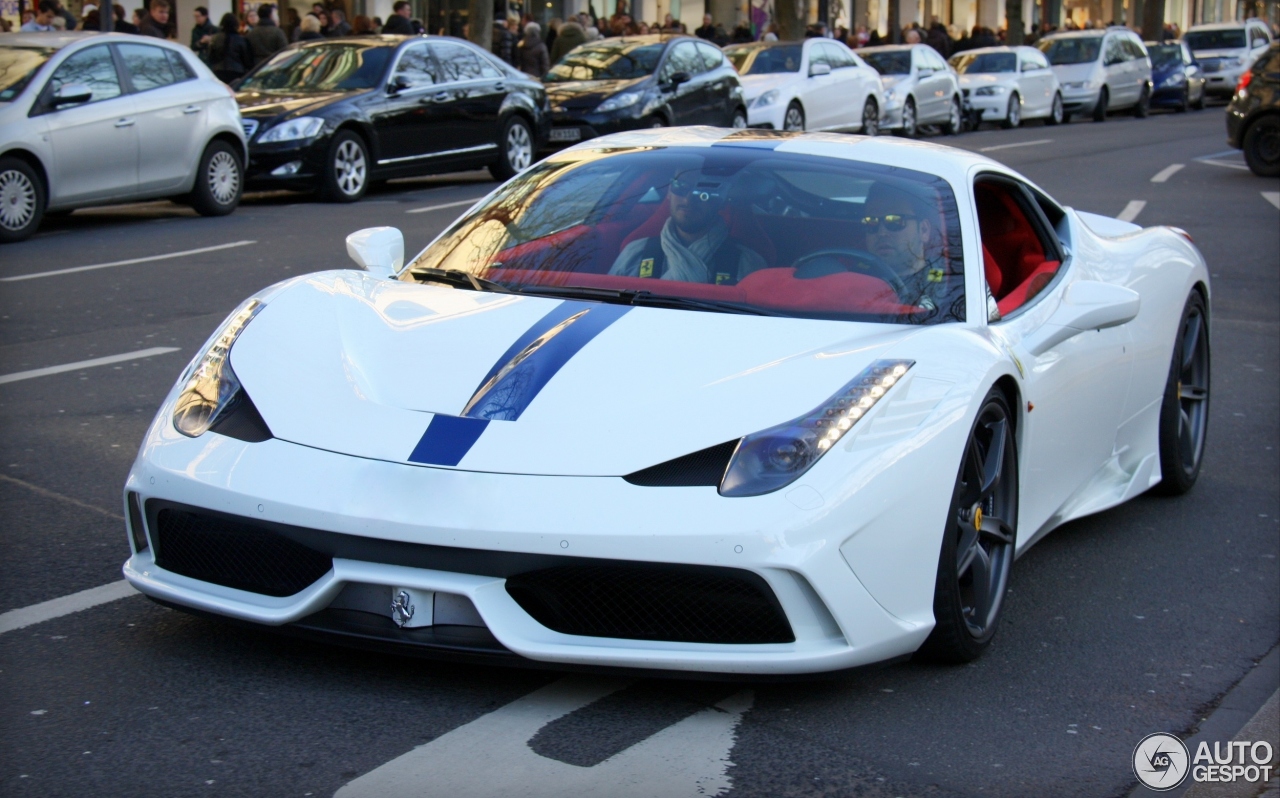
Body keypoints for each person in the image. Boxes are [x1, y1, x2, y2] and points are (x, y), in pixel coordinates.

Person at [611, 170, 766, 286]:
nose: (688, 199)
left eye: (702, 191)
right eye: (681, 186)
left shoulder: (746, 263)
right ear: (669, 193)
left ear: (720, 200)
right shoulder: (634, 254)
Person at [860, 182, 951, 313]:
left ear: (924, 230)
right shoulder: (853, 278)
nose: (881, 233)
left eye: (894, 221)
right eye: (871, 223)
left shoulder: (954, 279)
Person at [208, 11, 254, 82]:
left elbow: (211, 56)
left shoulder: (216, 38)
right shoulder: (241, 39)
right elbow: (247, 59)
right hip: (237, 71)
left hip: (218, 70)